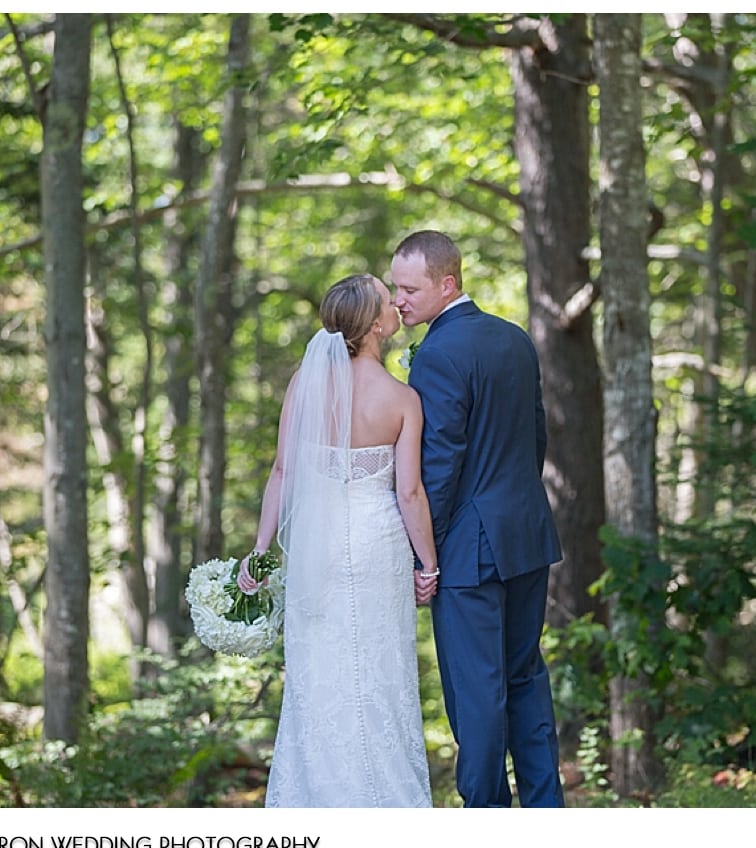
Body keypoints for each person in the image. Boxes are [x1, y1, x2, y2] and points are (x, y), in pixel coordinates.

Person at [237, 273, 440, 807]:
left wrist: (258, 552)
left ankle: (317, 799)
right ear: (376, 324)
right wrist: (430, 567)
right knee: (380, 671)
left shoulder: (305, 384)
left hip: (315, 553)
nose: (397, 302)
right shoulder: (402, 398)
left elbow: (282, 472)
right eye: (385, 297)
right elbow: (411, 493)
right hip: (379, 550)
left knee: (319, 673)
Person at [390, 230, 565, 808]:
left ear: (448, 284)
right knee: (524, 677)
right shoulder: (514, 339)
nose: (398, 301)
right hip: (526, 535)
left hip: (469, 548)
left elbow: (438, 465)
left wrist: (425, 555)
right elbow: (534, 436)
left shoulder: (438, 354)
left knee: (477, 691)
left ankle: (486, 817)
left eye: (409, 288)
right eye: (394, 287)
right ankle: (544, 807)